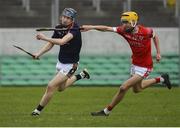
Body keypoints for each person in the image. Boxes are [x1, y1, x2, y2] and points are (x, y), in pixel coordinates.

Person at [82, 11, 171, 116]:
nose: (123, 25)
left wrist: (158, 52)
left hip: (145, 66)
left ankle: (106, 111)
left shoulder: (146, 31)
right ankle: (161, 79)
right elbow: (106, 28)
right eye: (123, 22)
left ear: (133, 22)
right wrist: (91, 27)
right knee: (137, 89)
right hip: (135, 63)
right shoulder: (123, 30)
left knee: (124, 87)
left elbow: (155, 36)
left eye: (126, 22)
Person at [31, 8, 90, 116]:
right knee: (61, 88)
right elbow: (51, 44)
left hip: (71, 65)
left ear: (72, 20)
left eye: (68, 18)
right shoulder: (58, 28)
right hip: (61, 62)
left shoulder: (75, 29)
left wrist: (44, 38)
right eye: (64, 17)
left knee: (51, 86)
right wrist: (39, 53)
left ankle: (37, 111)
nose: (65, 19)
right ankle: (81, 75)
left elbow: (62, 41)